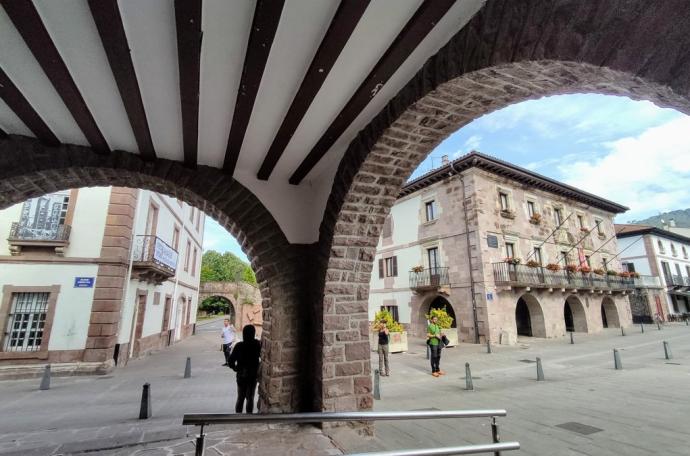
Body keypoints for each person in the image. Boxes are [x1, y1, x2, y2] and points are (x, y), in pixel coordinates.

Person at [228, 325, 261, 414]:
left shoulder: (239, 346)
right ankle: (248, 417)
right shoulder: (257, 344)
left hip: (241, 375)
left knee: (240, 397)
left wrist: (235, 368)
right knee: (250, 397)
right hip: (253, 375)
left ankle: (238, 417)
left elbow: (230, 360)